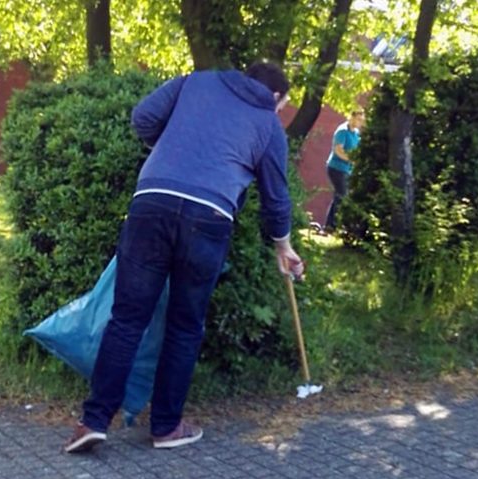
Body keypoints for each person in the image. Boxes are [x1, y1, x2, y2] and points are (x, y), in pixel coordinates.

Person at [64, 62, 304, 453]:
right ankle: (165, 427)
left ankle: (92, 421)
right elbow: (276, 198)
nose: (279, 112)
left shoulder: (196, 82)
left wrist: (170, 150)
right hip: (208, 216)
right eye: (283, 106)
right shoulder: (267, 122)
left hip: (152, 200)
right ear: (276, 97)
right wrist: (283, 246)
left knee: (127, 318)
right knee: (185, 325)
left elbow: (143, 117)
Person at [322, 108, 365, 234]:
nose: (360, 122)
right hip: (336, 167)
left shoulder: (356, 133)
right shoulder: (342, 131)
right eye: (358, 119)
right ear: (351, 117)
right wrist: (351, 160)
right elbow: (338, 150)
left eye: (362, 120)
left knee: (340, 196)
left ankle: (331, 225)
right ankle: (333, 225)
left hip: (347, 170)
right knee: (342, 195)